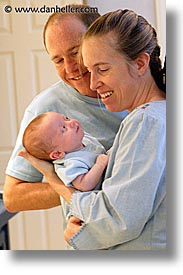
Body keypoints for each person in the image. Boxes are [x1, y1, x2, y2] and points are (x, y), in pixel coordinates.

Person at [19, 9, 166, 250]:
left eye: (103, 69)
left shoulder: (146, 121)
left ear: (140, 63)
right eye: (91, 68)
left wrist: (59, 185)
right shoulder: (156, 114)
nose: (93, 82)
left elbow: (117, 220)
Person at [3, 5, 127, 212]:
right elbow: (13, 197)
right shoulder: (45, 111)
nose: (70, 68)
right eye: (58, 60)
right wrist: (82, 183)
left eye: (76, 52)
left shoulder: (139, 89)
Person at [22, 112, 108, 192]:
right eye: (64, 128)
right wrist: (99, 165)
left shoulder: (82, 139)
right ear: (57, 154)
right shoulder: (70, 163)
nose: (72, 122)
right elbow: (84, 185)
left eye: (66, 119)